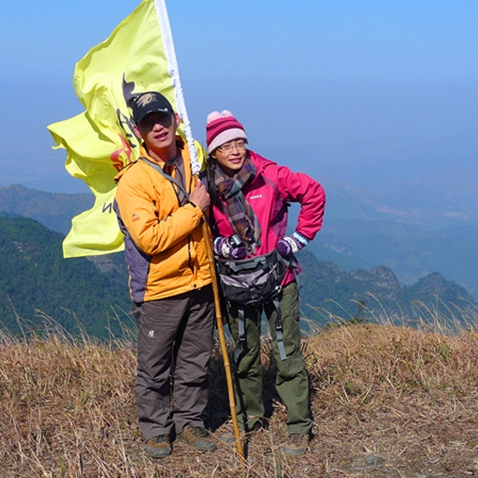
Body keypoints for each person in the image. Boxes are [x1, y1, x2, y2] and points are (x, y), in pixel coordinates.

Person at [203, 110, 325, 456]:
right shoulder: (206, 186)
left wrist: (298, 239)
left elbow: (313, 192)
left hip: (278, 278)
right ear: (213, 152)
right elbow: (199, 228)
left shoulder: (269, 175)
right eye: (226, 145)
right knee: (244, 354)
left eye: (240, 142)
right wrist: (217, 244)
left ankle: (299, 427)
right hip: (236, 284)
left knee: (287, 353)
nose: (235, 150)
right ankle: (250, 418)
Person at [113, 91, 217, 459]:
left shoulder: (193, 157)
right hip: (159, 287)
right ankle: (156, 430)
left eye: (161, 117)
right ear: (139, 131)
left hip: (201, 279)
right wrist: (194, 208)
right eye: (147, 122)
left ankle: (190, 421)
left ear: (174, 118)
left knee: (195, 358)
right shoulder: (133, 181)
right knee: (155, 365)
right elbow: (150, 238)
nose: (157, 126)